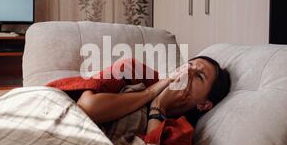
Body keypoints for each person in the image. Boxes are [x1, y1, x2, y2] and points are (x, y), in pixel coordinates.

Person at [76, 56, 231, 135]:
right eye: (189, 64)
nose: (188, 71)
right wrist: (150, 92)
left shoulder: (182, 131)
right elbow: (87, 108)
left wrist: (159, 106)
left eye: (199, 76)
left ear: (204, 104)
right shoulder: (135, 71)